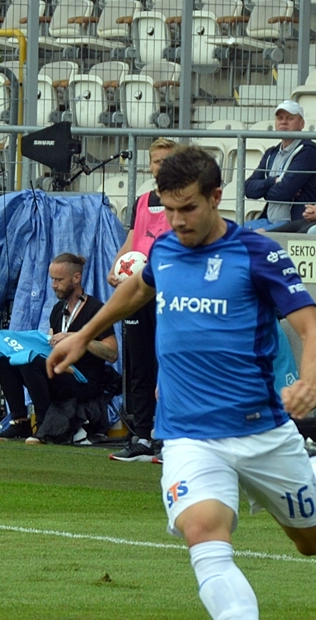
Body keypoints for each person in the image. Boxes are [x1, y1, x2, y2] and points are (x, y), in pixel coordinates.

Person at [47, 146, 316, 620]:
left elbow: (313, 331)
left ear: (217, 197)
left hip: (262, 432)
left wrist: (310, 384)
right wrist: (83, 334)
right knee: (204, 534)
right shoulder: (165, 249)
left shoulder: (258, 254)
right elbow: (138, 287)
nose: (177, 221)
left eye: (188, 208)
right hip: (189, 434)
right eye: (168, 209)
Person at [0, 254, 118, 442]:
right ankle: (20, 420)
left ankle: (44, 423)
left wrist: (78, 337)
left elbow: (112, 353)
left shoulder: (96, 310)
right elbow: (49, 344)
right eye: (52, 279)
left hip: (85, 381)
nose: (53, 285)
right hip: (60, 371)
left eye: (59, 280)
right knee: (5, 357)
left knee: (30, 361)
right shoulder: (58, 310)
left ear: (76, 278)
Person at [108, 137, 176, 462]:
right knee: (139, 364)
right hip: (137, 289)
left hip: (167, 288)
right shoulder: (143, 201)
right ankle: (142, 436)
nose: (160, 166)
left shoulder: (183, 201)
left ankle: (168, 437)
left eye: (167, 160)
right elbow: (133, 240)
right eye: (156, 161)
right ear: (149, 165)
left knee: (169, 361)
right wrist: (117, 267)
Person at [242, 101, 316, 231]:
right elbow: (248, 189)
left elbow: (284, 192)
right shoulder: (271, 153)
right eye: (280, 118)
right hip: (269, 219)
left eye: (290, 118)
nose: (284, 122)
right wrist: (273, 182)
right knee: (234, 232)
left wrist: (263, 191)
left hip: (295, 222)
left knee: (254, 236)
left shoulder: (308, 152)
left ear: (301, 124)